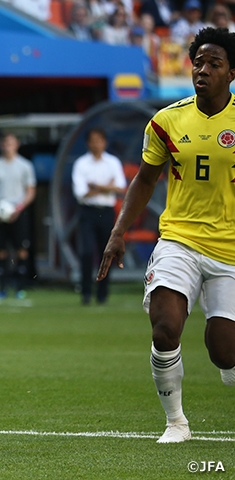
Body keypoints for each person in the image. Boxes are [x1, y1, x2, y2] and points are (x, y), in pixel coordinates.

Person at [98, 27, 235, 443]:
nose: (202, 70)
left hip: (230, 249)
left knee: (224, 350)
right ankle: (176, 423)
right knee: (165, 326)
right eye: (198, 62)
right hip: (179, 239)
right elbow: (145, 179)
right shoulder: (167, 120)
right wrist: (119, 231)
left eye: (214, 64)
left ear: (231, 73)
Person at [72, 127, 126, 305]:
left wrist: (95, 187)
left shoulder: (112, 162)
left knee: (107, 253)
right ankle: (86, 292)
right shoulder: (81, 163)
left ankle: (103, 294)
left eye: (99, 140)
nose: (96, 144)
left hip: (106, 211)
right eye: (93, 140)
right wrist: (107, 187)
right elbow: (80, 193)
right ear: (88, 143)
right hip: (87, 211)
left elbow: (120, 187)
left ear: (105, 142)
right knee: (87, 252)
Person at [0, 133, 36, 302]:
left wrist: (19, 207)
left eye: (11, 143)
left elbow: (30, 191)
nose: (8, 146)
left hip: (18, 212)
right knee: (0, 250)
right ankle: (1, 288)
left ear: (17, 144)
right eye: (5, 143)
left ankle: (20, 288)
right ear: (1, 145)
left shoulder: (25, 165)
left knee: (21, 249)